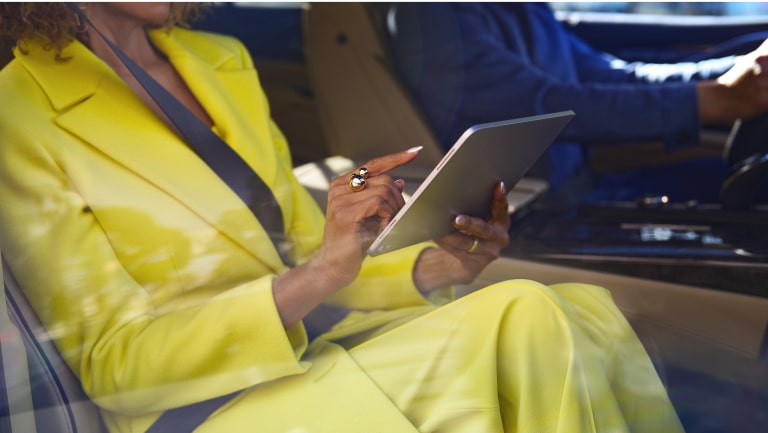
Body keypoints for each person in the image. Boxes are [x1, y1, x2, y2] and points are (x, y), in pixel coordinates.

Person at [0, 3, 684, 433]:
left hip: (307, 352)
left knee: (585, 309)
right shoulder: (18, 113)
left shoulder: (220, 61)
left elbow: (305, 247)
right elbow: (114, 365)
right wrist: (317, 276)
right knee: (527, 316)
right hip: (199, 407)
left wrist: (433, 265)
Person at [387, 2, 768, 204]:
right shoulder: (430, 15)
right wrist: (716, 99)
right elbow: (543, 106)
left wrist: (738, 70)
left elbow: (610, 75)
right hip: (534, 214)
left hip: (585, 185)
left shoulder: (522, 7)